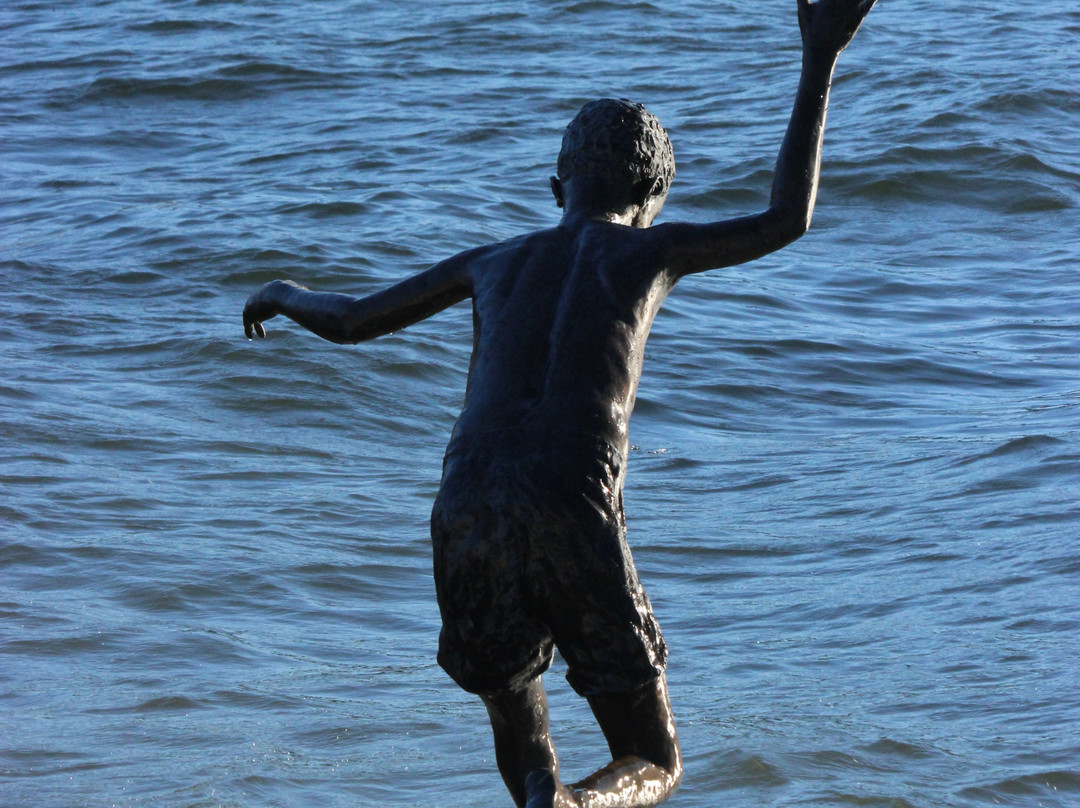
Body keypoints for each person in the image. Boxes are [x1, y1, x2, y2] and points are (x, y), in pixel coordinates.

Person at [243, 1, 877, 804]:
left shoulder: (490, 261)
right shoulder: (654, 249)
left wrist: (284, 290)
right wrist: (819, 60)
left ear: (556, 188)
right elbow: (789, 217)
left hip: (468, 496)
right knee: (652, 757)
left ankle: (547, 793)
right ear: (653, 195)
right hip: (570, 495)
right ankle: (578, 803)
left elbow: (354, 319)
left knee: (516, 718)